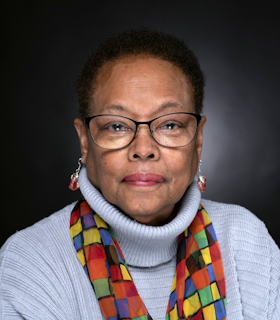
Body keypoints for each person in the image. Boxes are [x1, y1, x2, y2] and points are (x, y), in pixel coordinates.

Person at [0, 28, 279, 320]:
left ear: (198, 141)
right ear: (85, 141)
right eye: (117, 126)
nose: (143, 149)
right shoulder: (31, 260)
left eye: (169, 124)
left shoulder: (246, 241)